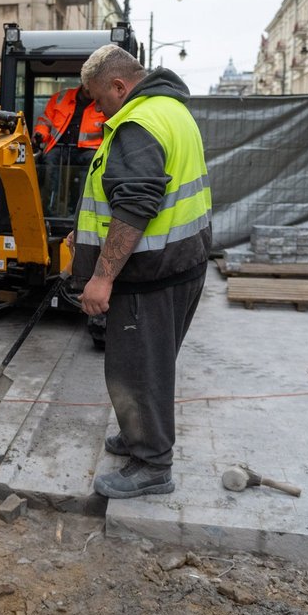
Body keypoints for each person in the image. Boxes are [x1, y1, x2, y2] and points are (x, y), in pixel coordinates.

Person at [69, 44, 212, 499]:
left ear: (118, 85)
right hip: (182, 264)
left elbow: (135, 205)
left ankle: (151, 465)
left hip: (148, 276)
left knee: (136, 370)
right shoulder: (172, 110)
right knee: (151, 363)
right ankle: (138, 435)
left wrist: (102, 276)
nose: (96, 108)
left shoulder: (136, 123)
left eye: (98, 99)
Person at [32, 85, 106, 216]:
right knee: (49, 162)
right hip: (60, 146)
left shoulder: (104, 101)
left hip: (89, 149)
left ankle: (83, 209)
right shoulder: (61, 98)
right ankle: (50, 209)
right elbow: (44, 121)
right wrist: (40, 134)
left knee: (93, 165)